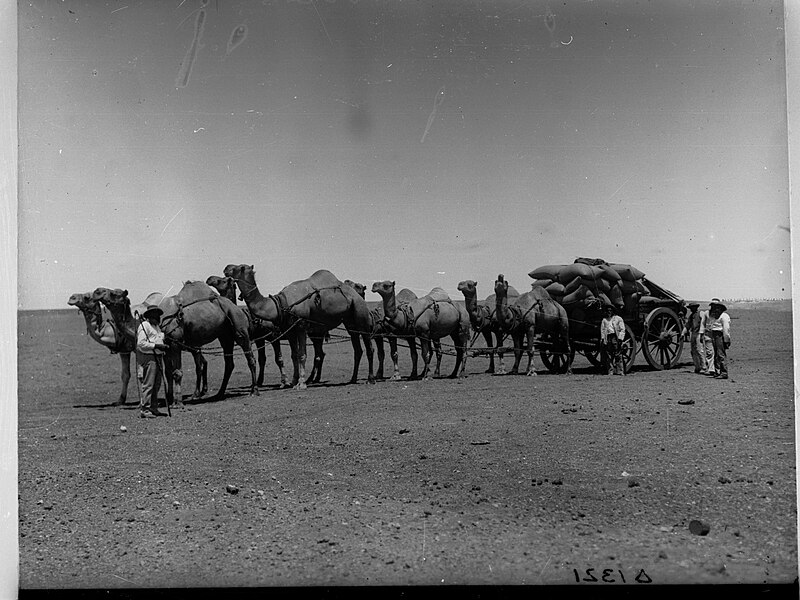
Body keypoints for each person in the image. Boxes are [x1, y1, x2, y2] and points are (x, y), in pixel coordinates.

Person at [136, 304, 170, 418]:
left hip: (158, 357)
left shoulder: (157, 327)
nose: (158, 317)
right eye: (156, 315)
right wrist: (156, 346)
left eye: (159, 315)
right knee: (149, 384)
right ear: (150, 316)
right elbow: (141, 344)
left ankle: (153, 408)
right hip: (149, 357)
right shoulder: (144, 326)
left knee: (157, 384)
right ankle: (145, 409)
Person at [706, 298, 731, 380]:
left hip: (720, 335)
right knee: (716, 354)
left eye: (717, 308)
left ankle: (724, 372)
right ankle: (717, 371)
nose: (716, 309)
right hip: (714, 335)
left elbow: (726, 329)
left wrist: (726, 340)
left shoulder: (724, 316)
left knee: (720, 354)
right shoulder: (714, 316)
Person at [599, 304, 626, 375]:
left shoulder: (618, 319)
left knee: (618, 354)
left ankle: (620, 371)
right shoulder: (604, 320)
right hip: (608, 337)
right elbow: (602, 330)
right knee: (608, 355)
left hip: (615, 337)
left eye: (610, 311)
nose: (609, 312)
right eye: (608, 311)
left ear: (613, 311)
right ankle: (610, 371)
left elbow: (622, 329)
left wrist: (620, 338)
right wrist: (603, 339)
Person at [681, 302, 703, 373]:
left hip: (699, 333)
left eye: (692, 308)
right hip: (693, 333)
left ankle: (704, 367)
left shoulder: (700, 314)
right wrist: (682, 333)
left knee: (699, 350)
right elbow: (687, 326)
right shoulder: (691, 316)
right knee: (693, 351)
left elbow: (704, 323)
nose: (691, 309)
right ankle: (697, 367)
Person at [698, 304, 715, 375]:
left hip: (717, 334)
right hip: (708, 334)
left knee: (718, 352)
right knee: (709, 352)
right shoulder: (706, 313)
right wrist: (701, 334)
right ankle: (711, 369)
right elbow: (702, 323)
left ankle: (717, 368)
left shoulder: (722, 315)